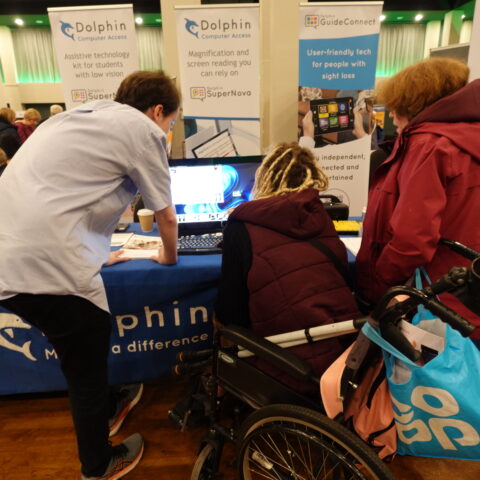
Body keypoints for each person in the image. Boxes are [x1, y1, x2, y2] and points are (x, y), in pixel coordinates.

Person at [0, 70, 180, 479]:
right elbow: (166, 216)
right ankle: (98, 466)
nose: (167, 130)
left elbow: (59, 193)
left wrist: (94, 253)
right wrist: (168, 258)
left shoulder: (75, 117)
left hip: (10, 254)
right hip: (48, 262)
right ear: (156, 111)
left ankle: (110, 405)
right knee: (86, 355)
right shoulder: (142, 129)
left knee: (81, 344)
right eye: (170, 122)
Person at [215, 142, 360, 394]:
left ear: (264, 178)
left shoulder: (242, 225)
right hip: (341, 356)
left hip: (287, 363)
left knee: (220, 322)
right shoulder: (320, 216)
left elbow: (231, 313)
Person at [356, 57, 480, 343]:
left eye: (395, 112)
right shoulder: (466, 139)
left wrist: (381, 282)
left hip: (439, 302)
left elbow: (412, 241)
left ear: (410, 105)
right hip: (470, 291)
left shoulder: (429, 146)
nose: (393, 121)